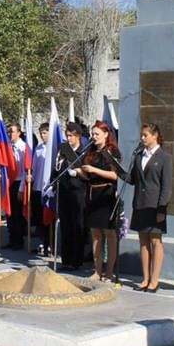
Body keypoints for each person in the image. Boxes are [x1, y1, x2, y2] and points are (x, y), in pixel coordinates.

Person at [122, 123, 172, 292]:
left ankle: (155, 280)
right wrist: (117, 169)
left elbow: (166, 186)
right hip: (140, 203)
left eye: (145, 135)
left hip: (155, 205)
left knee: (155, 241)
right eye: (142, 135)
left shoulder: (164, 157)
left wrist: (162, 209)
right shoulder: (139, 156)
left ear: (155, 135)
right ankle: (145, 278)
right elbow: (133, 179)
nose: (142, 138)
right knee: (143, 241)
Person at [77, 121, 122, 283]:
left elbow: (115, 175)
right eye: (92, 134)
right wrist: (79, 171)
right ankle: (97, 271)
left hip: (106, 194)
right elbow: (87, 176)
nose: (93, 137)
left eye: (96, 134)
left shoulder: (112, 151)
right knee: (95, 234)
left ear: (105, 134)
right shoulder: (90, 152)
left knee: (109, 234)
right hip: (91, 193)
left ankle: (109, 272)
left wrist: (94, 169)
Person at [55, 122, 88, 270]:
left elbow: (88, 174)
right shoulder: (63, 150)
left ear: (78, 136)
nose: (68, 139)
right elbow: (57, 168)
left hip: (79, 191)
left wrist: (78, 172)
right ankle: (65, 259)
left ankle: (76, 260)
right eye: (67, 135)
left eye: (71, 136)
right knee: (66, 225)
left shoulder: (84, 151)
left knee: (78, 225)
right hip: (64, 190)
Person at [30, 123, 52, 256]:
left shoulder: (54, 148)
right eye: (41, 133)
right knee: (39, 217)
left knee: (49, 217)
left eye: (45, 133)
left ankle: (50, 243)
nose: (43, 136)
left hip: (49, 188)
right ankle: (42, 242)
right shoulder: (38, 149)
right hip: (38, 187)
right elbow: (34, 167)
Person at [6, 122, 28, 250]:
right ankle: (11, 238)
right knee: (9, 212)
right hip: (9, 182)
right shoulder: (8, 147)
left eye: (12, 131)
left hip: (19, 182)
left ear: (19, 133)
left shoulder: (23, 147)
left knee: (18, 213)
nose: (10, 134)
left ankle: (19, 240)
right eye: (9, 132)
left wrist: (21, 189)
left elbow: (26, 169)